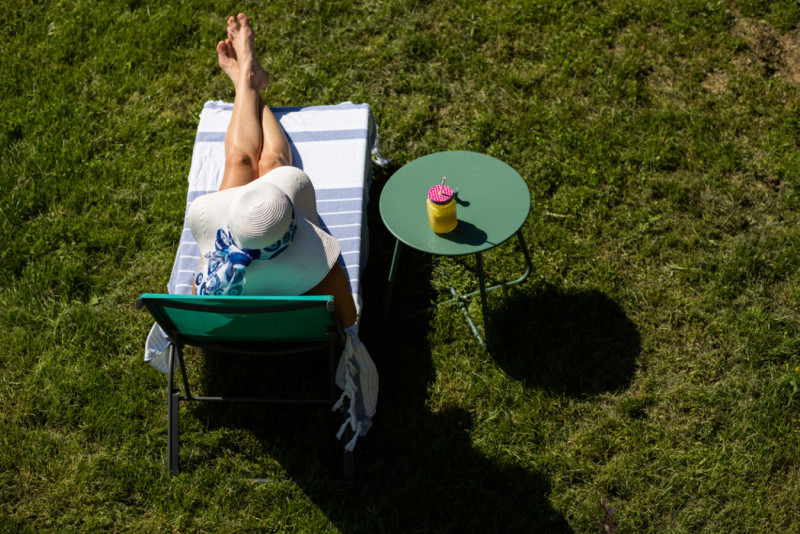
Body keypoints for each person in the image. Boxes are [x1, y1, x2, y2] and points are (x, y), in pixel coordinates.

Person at [187, 13, 357, 328]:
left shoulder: (213, 282)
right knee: (274, 163)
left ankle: (246, 82)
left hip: (235, 309)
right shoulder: (324, 274)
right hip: (299, 315)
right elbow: (348, 320)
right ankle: (248, 80)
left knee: (239, 160)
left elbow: (199, 312)